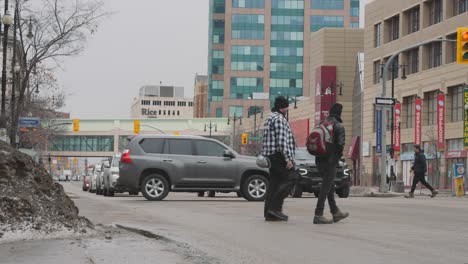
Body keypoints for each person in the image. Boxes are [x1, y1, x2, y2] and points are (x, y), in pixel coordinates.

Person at [261, 96, 296, 221]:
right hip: (279, 156)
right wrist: (288, 159)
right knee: (291, 178)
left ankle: (269, 213)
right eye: (286, 106)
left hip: (271, 156)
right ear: (283, 107)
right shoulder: (279, 119)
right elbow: (282, 141)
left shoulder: (270, 117)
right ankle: (275, 209)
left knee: (274, 184)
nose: (288, 108)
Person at [313, 103, 349, 224]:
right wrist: (336, 159)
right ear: (339, 112)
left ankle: (335, 212)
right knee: (325, 187)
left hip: (319, 159)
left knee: (330, 186)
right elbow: (340, 145)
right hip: (330, 161)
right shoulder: (338, 125)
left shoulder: (322, 123)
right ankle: (318, 214)